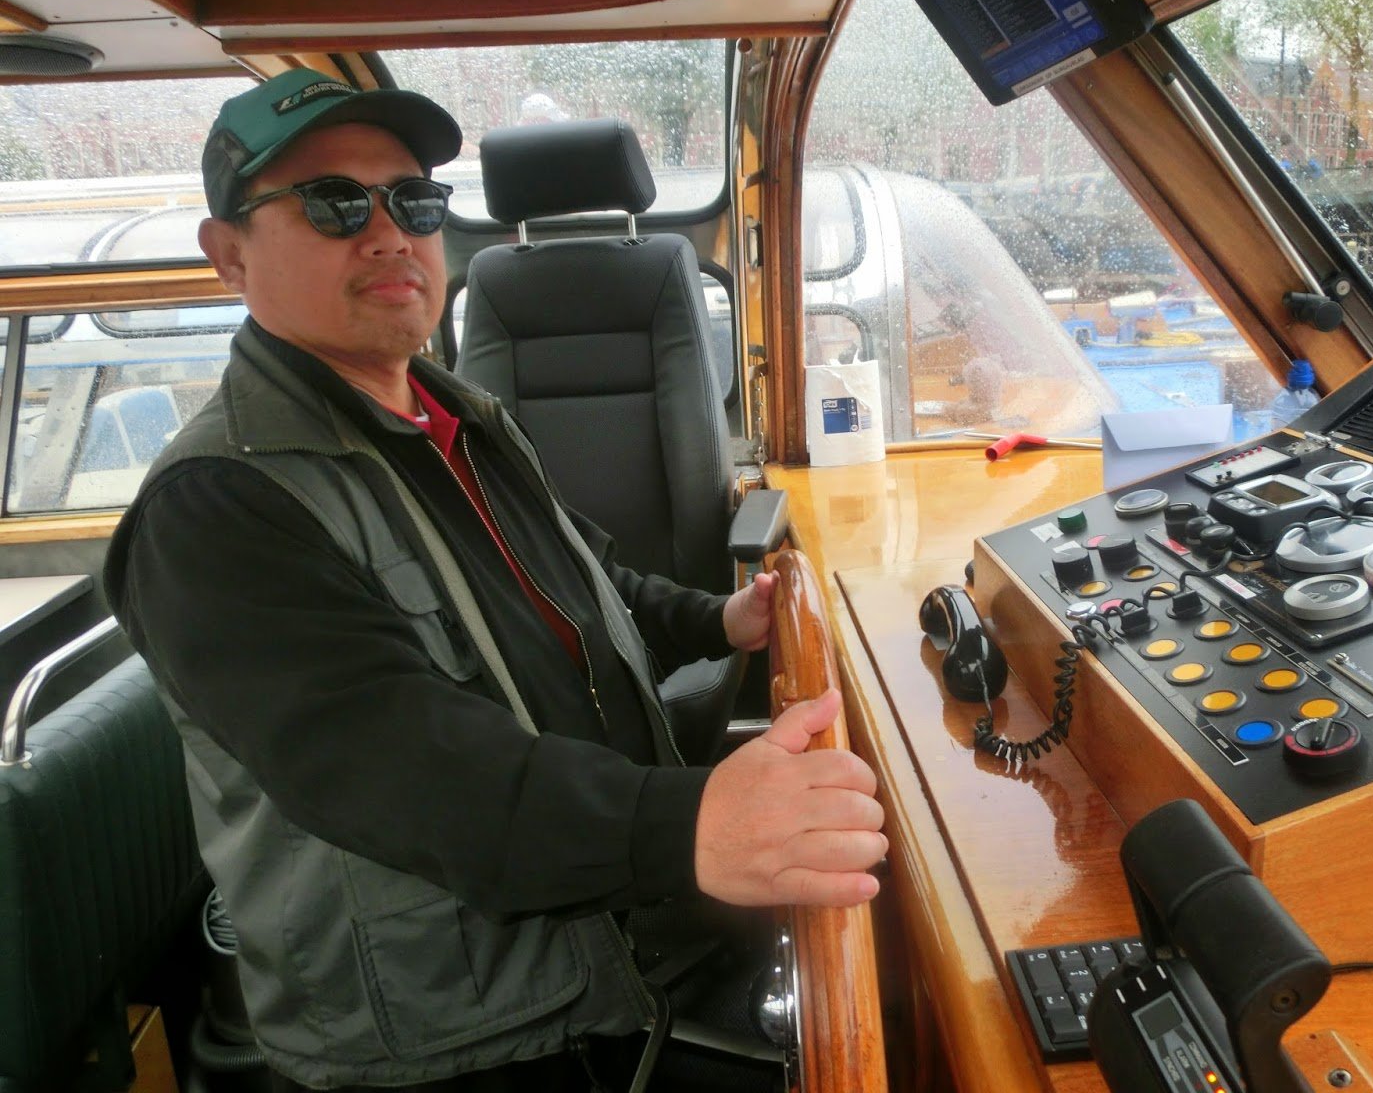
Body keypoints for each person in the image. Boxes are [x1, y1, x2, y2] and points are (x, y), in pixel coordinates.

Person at [103, 69, 887, 1093]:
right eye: (334, 203)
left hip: (602, 938)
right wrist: (686, 824)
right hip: (451, 1039)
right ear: (228, 254)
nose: (388, 234)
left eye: (414, 202)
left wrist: (719, 620)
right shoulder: (217, 506)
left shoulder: (460, 418)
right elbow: (401, 768)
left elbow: (586, 585)